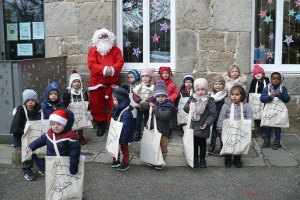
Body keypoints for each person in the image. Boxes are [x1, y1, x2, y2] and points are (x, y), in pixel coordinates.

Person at [88, 27, 124, 137]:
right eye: (101, 36)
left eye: (105, 36)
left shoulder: (116, 50)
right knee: (96, 104)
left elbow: (120, 62)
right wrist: (104, 70)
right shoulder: (93, 51)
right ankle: (101, 125)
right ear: (97, 38)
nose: (104, 38)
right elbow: (92, 64)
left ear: (110, 37)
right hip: (97, 82)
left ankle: (113, 125)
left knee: (114, 104)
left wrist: (112, 70)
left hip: (112, 82)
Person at [27, 109, 81, 176]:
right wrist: (32, 146)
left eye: (59, 124)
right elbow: (42, 140)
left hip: (64, 162)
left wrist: (74, 165)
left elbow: (75, 152)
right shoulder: (50, 133)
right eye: (53, 124)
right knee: (53, 179)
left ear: (65, 124)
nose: (55, 126)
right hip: (51, 160)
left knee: (64, 178)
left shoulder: (71, 136)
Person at [10, 88, 45, 181]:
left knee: (40, 154)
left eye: (33, 100)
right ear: (24, 101)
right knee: (27, 157)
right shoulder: (21, 112)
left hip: (38, 137)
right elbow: (16, 129)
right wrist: (17, 144)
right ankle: (27, 171)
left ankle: (42, 168)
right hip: (26, 139)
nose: (30, 102)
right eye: (28, 100)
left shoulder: (40, 111)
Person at [217, 85, 254, 168]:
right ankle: (228, 158)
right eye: (232, 94)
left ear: (242, 96)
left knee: (238, 143)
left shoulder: (246, 106)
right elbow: (221, 117)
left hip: (241, 129)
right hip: (229, 129)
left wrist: (251, 128)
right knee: (228, 143)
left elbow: (250, 117)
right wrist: (220, 127)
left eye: (237, 95)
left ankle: (237, 158)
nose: (234, 96)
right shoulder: (226, 105)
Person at [183, 78, 217, 168]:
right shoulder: (193, 98)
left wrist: (207, 123)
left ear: (206, 90)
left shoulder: (209, 99)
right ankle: (195, 158)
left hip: (203, 125)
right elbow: (185, 108)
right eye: (198, 90)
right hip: (193, 125)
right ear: (195, 90)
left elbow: (213, 114)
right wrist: (189, 106)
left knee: (202, 144)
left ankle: (202, 158)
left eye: (203, 89)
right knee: (193, 143)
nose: (200, 92)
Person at [148, 80, 177, 169]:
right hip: (155, 130)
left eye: (163, 96)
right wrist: (148, 104)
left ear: (166, 96)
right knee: (154, 146)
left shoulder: (168, 106)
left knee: (162, 147)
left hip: (163, 131)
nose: (160, 98)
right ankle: (154, 160)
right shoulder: (155, 104)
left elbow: (165, 116)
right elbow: (143, 107)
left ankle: (161, 161)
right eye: (158, 96)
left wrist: (155, 109)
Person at [260, 72, 290, 150]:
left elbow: (287, 99)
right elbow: (262, 98)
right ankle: (267, 140)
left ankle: (277, 141)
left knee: (277, 126)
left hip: (278, 112)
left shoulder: (283, 88)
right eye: (274, 79)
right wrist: (269, 97)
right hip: (269, 111)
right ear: (271, 79)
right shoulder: (267, 88)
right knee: (268, 125)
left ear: (281, 80)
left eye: (278, 79)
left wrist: (280, 95)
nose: (275, 80)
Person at [110, 84, 135, 171]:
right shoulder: (118, 108)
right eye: (113, 100)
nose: (113, 102)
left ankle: (125, 162)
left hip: (123, 135)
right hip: (117, 133)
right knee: (115, 147)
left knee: (124, 149)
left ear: (121, 100)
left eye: (115, 100)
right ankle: (115, 160)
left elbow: (126, 127)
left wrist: (123, 139)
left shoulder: (126, 113)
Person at [63, 70, 91, 145]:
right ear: (71, 83)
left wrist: (88, 111)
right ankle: (73, 136)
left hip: (81, 110)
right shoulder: (68, 92)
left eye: (78, 81)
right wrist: (65, 111)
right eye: (74, 82)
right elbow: (65, 103)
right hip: (72, 111)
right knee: (73, 124)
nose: (77, 83)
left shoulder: (83, 92)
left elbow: (86, 102)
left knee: (80, 123)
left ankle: (81, 136)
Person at [132, 67, 155, 141]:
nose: (144, 78)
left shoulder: (152, 87)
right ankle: (137, 132)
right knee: (138, 121)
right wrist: (139, 101)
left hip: (147, 107)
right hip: (139, 106)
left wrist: (146, 102)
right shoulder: (139, 86)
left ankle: (146, 133)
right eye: (143, 76)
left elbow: (153, 96)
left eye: (147, 76)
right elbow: (135, 94)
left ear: (150, 78)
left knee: (147, 120)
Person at [156, 66, 179, 138]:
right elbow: (155, 92)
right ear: (161, 74)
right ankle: (159, 130)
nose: (165, 75)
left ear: (169, 74)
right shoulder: (157, 83)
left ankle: (169, 130)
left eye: (167, 73)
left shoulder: (172, 84)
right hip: (159, 103)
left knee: (169, 118)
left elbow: (176, 93)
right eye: (163, 73)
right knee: (159, 116)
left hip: (169, 104)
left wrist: (170, 99)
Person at [248, 65, 270, 138]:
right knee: (253, 115)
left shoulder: (266, 80)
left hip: (265, 100)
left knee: (264, 115)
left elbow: (269, 89)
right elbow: (251, 91)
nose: (257, 75)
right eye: (256, 74)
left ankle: (264, 131)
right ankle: (252, 130)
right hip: (256, 101)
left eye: (259, 73)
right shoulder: (254, 82)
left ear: (263, 74)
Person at [207, 75, 227, 155]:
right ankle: (212, 145)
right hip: (213, 117)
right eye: (216, 84)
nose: (218, 86)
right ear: (213, 85)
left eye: (220, 84)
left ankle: (223, 145)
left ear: (223, 85)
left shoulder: (225, 95)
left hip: (222, 117)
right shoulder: (210, 95)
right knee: (214, 131)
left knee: (222, 131)